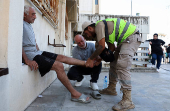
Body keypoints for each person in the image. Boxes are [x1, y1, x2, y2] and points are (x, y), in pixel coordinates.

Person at [22, 5, 91, 103]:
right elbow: (18, 43)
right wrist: (27, 60)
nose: (35, 16)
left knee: (61, 57)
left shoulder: (28, 24)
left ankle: (85, 63)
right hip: (31, 56)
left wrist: (36, 46)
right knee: (59, 66)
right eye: (33, 14)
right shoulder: (20, 24)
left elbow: (30, 40)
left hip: (37, 52)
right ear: (25, 14)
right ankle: (74, 94)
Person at [82, 18, 142, 111]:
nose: (87, 36)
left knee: (122, 65)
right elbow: (111, 47)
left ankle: (127, 100)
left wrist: (91, 59)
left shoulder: (99, 25)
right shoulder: (104, 30)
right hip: (123, 40)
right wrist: (100, 58)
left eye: (86, 33)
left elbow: (102, 46)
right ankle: (111, 89)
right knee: (114, 63)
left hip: (131, 37)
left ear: (89, 28)